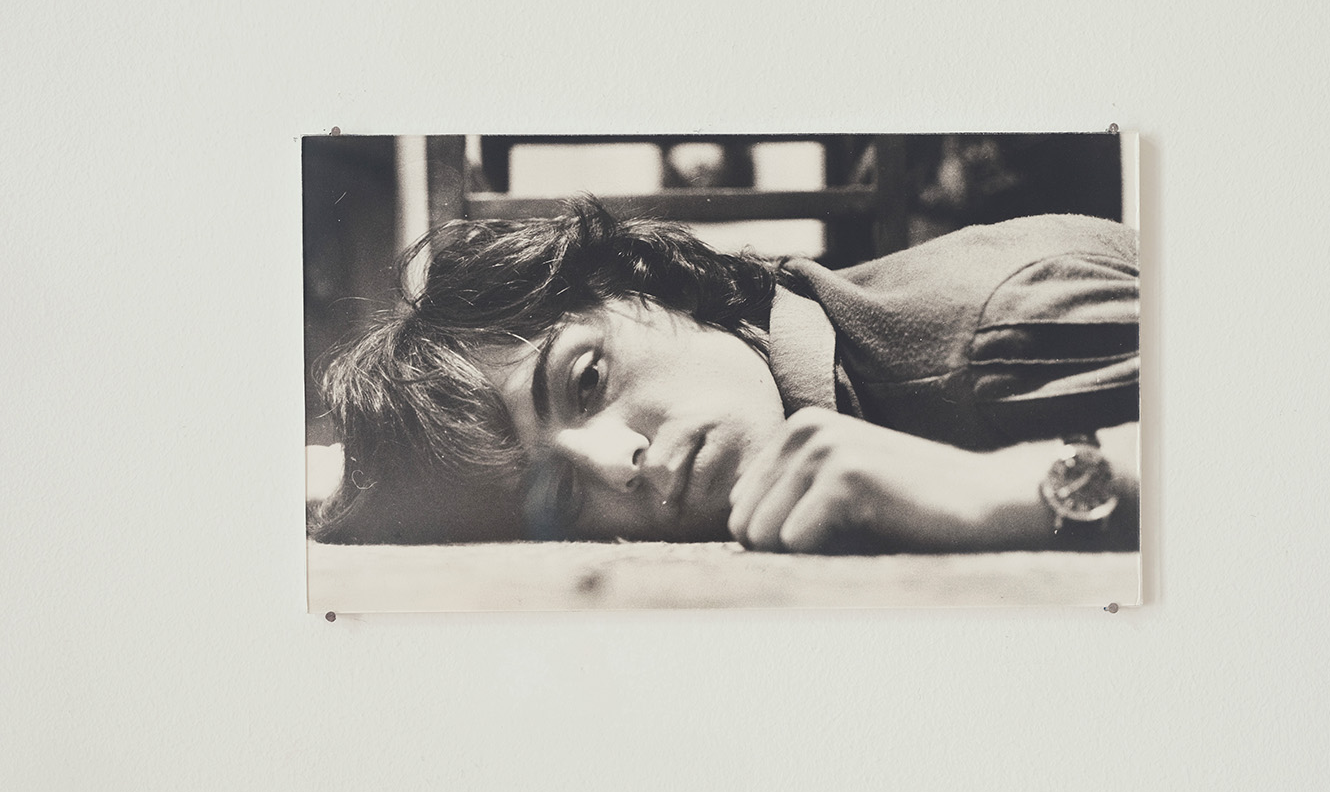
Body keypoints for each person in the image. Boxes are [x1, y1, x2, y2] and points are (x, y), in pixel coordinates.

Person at [310, 197, 1139, 552]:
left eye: (587, 380)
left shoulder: (993, 339)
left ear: (646, 286)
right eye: (558, 496)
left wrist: (1009, 490)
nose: (618, 465)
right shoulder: (807, 328)